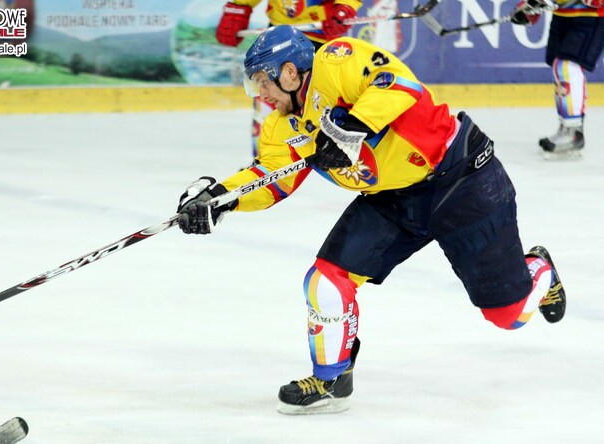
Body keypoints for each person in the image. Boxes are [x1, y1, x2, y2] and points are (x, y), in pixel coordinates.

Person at [176, 25, 567, 415]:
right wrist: (221, 198)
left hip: (461, 178)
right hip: (393, 198)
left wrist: (353, 127)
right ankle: (332, 379)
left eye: (264, 81)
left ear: (290, 72)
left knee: (508, 315)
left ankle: (539, 270)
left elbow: (397, 84)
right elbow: (271, 178)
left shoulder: (337, 61)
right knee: (326, 280)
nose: (260, 94)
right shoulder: (282, 127)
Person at [215, 0, 363, 158]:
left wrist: (346, 4)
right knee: (266, 103)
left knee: (320, 108)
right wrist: (240, 5)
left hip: (321, 37)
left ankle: (324, 157)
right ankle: (265, 162)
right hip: (277, 36)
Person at [511, 0, 604, 159]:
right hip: (562, 17)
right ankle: (568, 127)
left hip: (591, 17)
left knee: (566, 66)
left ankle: (573, 131)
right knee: (560, 70)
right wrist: (531, 6)